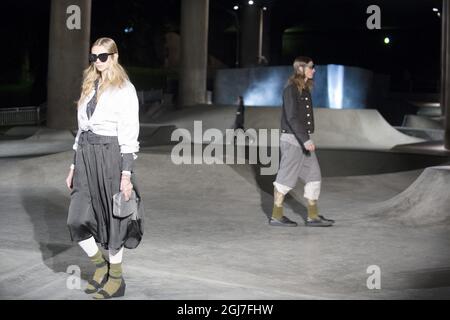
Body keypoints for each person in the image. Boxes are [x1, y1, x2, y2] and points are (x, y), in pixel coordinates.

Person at [65, 37, 144, 299]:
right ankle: (101, 266)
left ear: (114, 57)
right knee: (77, 218)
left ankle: (117, 279)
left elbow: (130, 133)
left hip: (110, 154)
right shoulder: (89, 84)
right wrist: (73, 166)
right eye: (93, 57)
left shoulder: (125, 88)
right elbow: (80, 130)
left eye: (103, 56)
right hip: (86, 154)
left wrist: (126, 174)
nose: (97, 62)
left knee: (114, 218)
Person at [269, 56, 335, 227]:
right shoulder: (290, 89)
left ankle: (312, 216)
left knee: (314, 176)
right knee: (285, 180)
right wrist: (305, 140)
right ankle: (276, 216)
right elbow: (291, 117)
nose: (314, 70)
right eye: (311, 67)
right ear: (300, 69)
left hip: (302, 139)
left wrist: (305, 139)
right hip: (293, 140)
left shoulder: (304, 89)